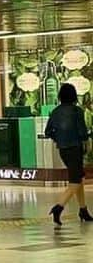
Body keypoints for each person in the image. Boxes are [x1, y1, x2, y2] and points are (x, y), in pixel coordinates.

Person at [44, 83, 91, 227]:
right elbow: (82, 132)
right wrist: (87, 141)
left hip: (63, 150)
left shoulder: (55, 112)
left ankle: (83, 210)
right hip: (75, 149)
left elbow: (48, 132)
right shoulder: (77, 111)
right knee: (75, 182)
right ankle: (59, 207)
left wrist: (58, 138)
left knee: (79, 178)